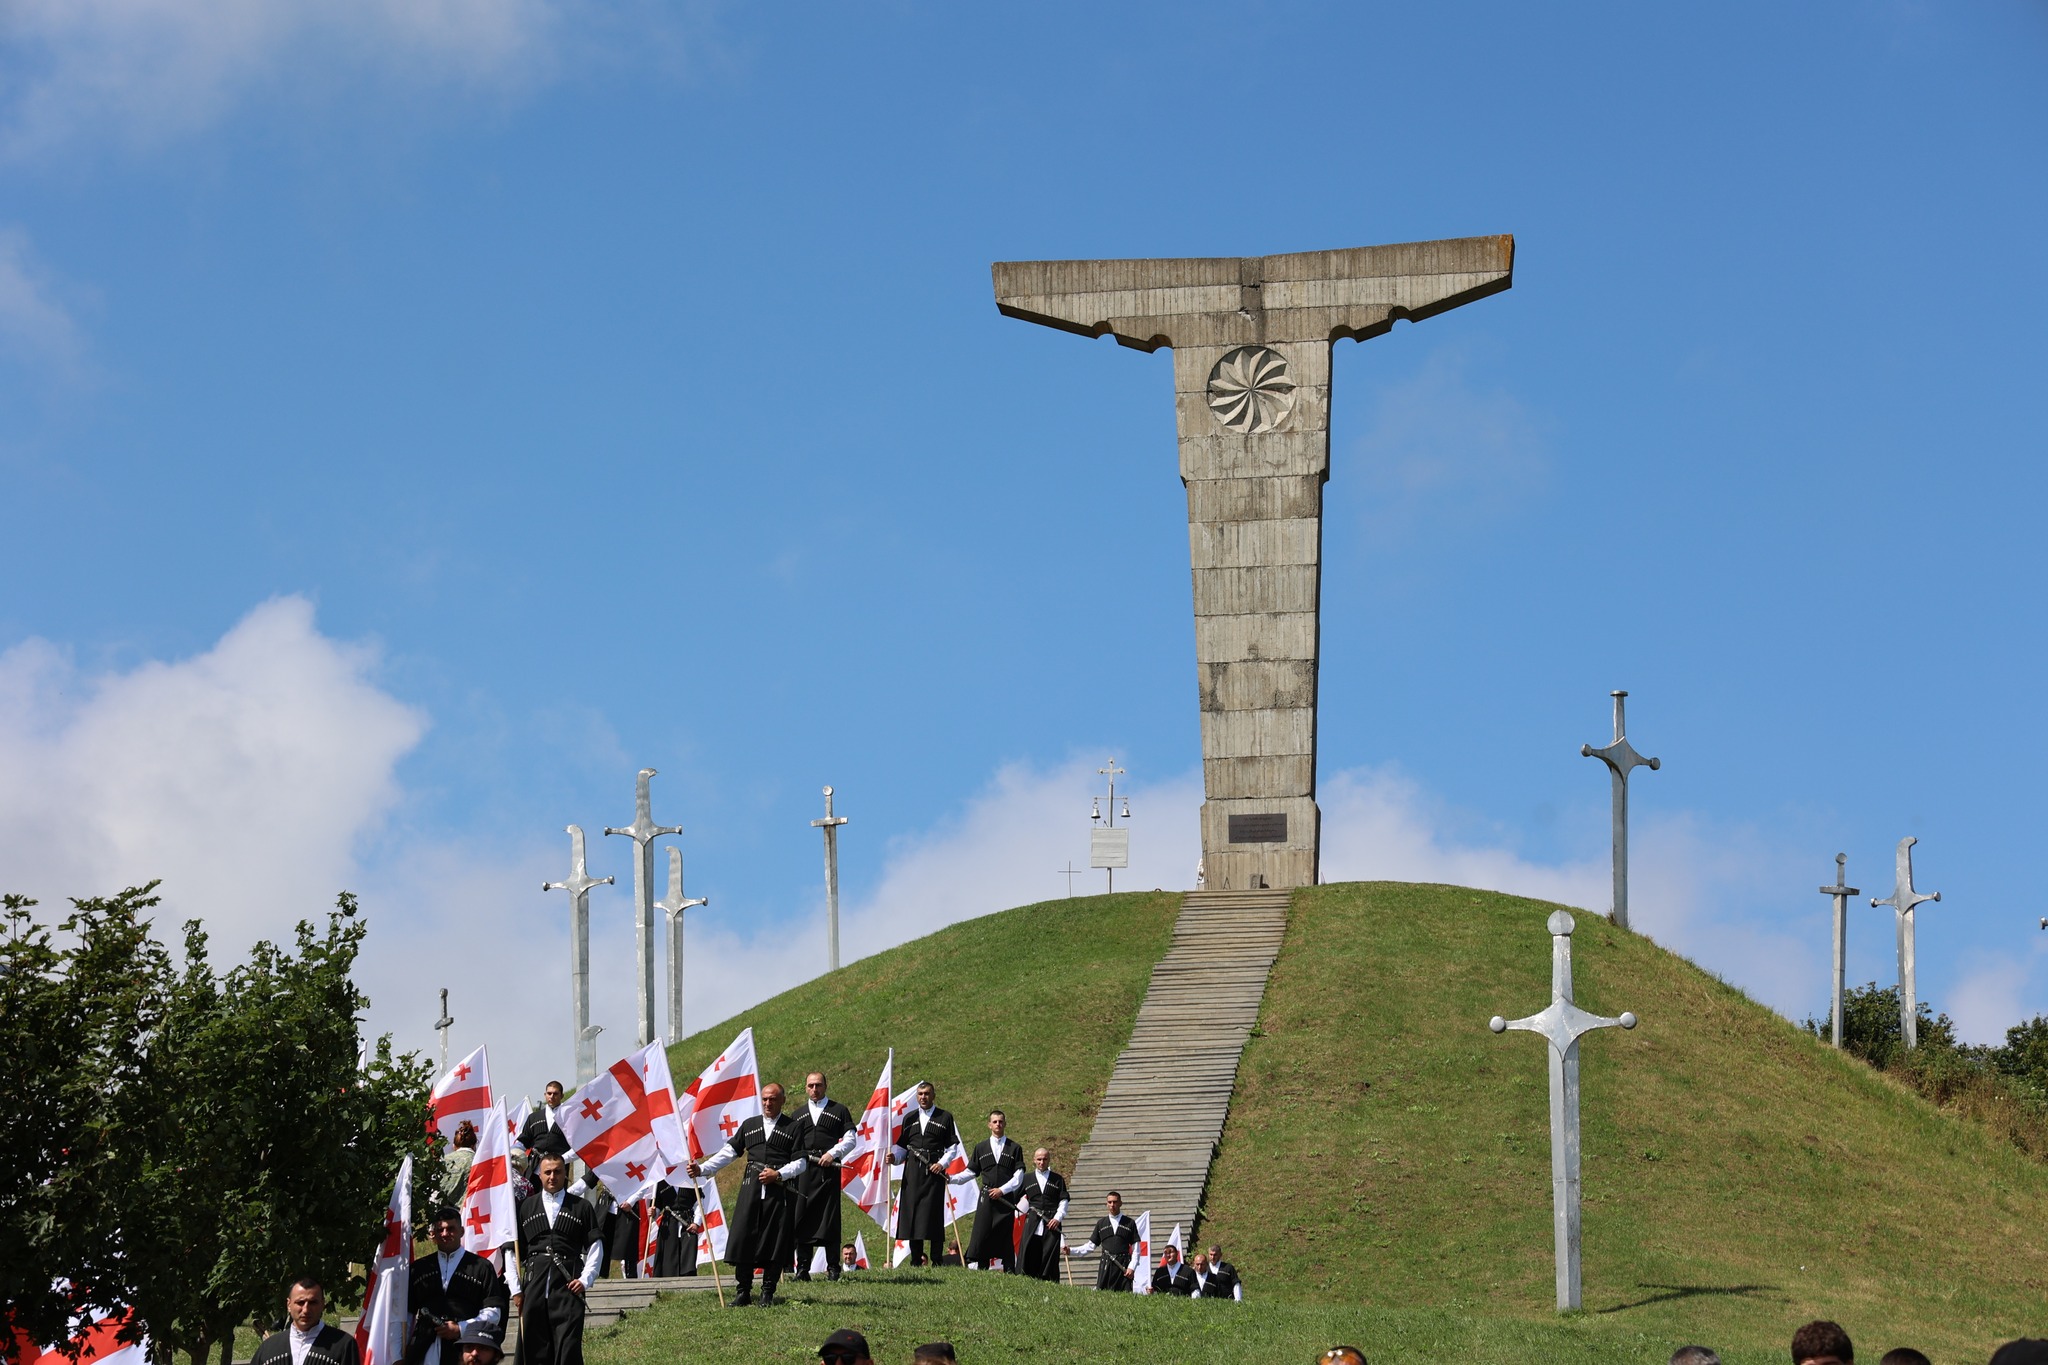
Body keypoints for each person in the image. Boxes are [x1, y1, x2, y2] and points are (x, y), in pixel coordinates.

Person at [687, 1079, 806, 1307]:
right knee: (744, 1238)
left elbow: (801, 1163)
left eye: (773, 1099)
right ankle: (743, 1292)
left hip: (778, 1193)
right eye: (765, 1099)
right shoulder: (750, 1125)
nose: (768, 1103)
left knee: (775, 1240)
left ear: (782, 1100)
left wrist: (778, 1174)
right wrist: (703, 1168)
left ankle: (767, 1292)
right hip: (751, 1189)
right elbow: (729, 1152)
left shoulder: (793, 1127)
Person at [512, 1152, 602, 1365]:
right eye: (548, 1172)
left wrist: (585, 1280)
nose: (552, 1177)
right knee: (533, 1346)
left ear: (565, 1174)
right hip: (534, 1284)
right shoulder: (526, 1207)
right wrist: (515, 1288)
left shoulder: (581, 1207)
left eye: (557, 1172)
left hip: (569, 1284)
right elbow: (512, 1250)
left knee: (568, 1346)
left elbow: (596, 1245)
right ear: (540, 1175)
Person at [404, 1207, 509, 1365]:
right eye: (440, 1230)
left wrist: (461, 1328)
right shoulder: (419, 1268)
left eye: (450, 1229)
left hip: (466, 1349)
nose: (445, 1234)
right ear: (433, 1234)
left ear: (461, 1231)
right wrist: (399, 1353)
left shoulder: (482, 1267)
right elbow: (406, 1315)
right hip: (424, 1347)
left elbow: (493, 1312)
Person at [791, 1071, 858, 1281]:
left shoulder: (839, 1110)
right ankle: (802, 1269)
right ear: (805, 1088)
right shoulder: (797, 1115)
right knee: (801, 1217)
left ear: (825, 1086)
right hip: (803, 1172)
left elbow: (851, 1139)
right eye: (810, 1085)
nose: (814, 1089)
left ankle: (833, 1268)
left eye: (818, 1085)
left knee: (830, 1219)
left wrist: (833, 1153)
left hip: (828, 1171)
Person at [892, 1081, 962, 1268]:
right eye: (920, 1094)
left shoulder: (944, 1117)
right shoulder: (909, 1118)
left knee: (933, 1215)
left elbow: (952, 1147)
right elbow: (902, 1148)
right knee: (913, 1214)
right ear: (917, 1096)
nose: (923, 1097)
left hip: (934, 1170)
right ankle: (916, 1260)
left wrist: (941, 1164)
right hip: (912, 1172)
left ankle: (937, 1260)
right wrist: (894, 1158)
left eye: (927, 1093)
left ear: (933, 1095)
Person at [962, 1109, 1025, 1271]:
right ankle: (982, 1267)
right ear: (989, 1125)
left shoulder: (1014, 1148)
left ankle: (1009, 1268)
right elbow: (971, 1172)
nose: (998, 1124)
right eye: (995, 1122)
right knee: (983, 1232)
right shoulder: (980, 1147)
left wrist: (1002, 1190)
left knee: (1005, 1233)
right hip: (987, 1198)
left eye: (1001, 1121)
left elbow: (1019, 1176)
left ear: (1005, 1124)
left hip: (1005, 1199)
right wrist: (952, 1178)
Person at [250, 1278, 361, 1365]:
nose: (306, 1310)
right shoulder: (269, 1347)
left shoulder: (343, 1345)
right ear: (289, 1304)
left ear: (322, 1304)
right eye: (300, 1302)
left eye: (312, 1303)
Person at [1016, 1147, 1069, 1282]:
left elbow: (1064, 1200)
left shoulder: (1057, 1179)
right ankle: (1028, 1281)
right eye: (1039, 1159)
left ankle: (1049, 1282)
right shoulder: (1026, 1178)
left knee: (1049, 1256)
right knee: (1029, 1251)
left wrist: (1057, 1218)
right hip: (1032, 1222)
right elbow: (1014, 1197)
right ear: (1034, 1160)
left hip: (1051, 1223)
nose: (1041, 1162)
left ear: (1049, 1160)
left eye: (1045, 1159)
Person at [1073, 1190, 1141, 1291]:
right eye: (1110, 1202)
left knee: (1125, 1296)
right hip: (1106, 1265)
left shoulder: (1130, 1223)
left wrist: (1132, 1267)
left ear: (1120, 1203)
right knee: (1103, 1295)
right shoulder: (1101, 1223)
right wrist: (1071, 1251)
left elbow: (1136, 1249)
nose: (1112, 1205)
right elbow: (1090, 1246)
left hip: (1123, 1266)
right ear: (1106, 1204)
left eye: (1115, 1202)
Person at [650, 1177, 701, 1277]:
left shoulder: (691, 1181)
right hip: (668, 1225)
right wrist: (653, 1212)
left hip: (688, 1224)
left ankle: (688, 1279)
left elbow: (698, 1203)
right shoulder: (661, 1183)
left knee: (688, 1256)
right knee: (668, 1257)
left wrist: (696, 1223)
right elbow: (657, 1207)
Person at [517, 1082, 572, 1163]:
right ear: (545, 1095)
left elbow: (578, 1146)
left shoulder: (570, 1117)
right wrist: (514, 1150)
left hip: (558, 1167)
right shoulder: (533, 1117)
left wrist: (562, 1159)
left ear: (562, 1096)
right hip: (535, 1167)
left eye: (555, 1094)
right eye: (549, 1093)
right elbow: (523, 1141)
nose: (552, 1096)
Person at [440, 1124, 479, 1205]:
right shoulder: (479, 1162)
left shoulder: (443, 1161)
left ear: (454, 1145)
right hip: (470, 1208)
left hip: (444, 1209)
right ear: (474, 1145)